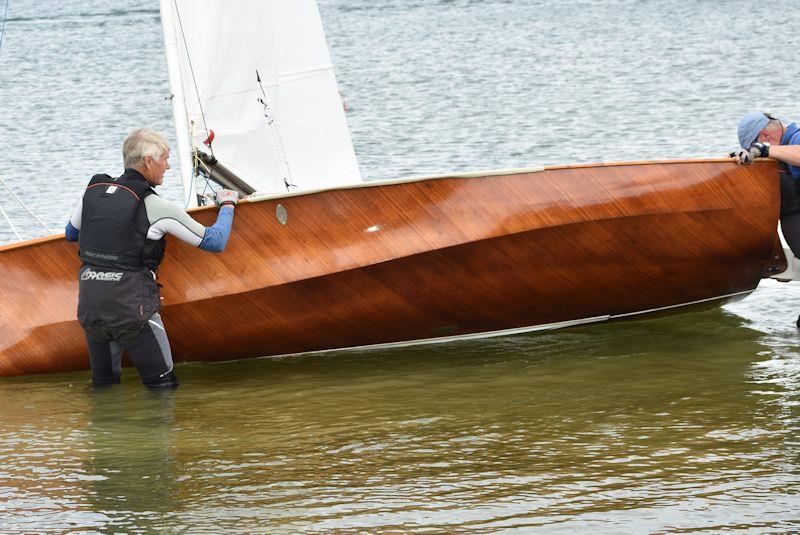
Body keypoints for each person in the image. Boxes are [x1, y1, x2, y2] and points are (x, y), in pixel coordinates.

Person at [65, 128, 239, 388]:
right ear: (148, 161)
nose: (168, 167)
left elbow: (71, 233)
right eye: (165, 159)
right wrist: (227, 205)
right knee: (163, 389)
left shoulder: (92, 193)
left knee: (103, 387)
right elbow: (214, 241)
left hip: (92, 308)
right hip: (133, 312)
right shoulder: (156, 206)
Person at [731, 112, 800, 258]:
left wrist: (765, 150)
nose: (756, 151)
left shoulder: (796, 137)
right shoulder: (778, 149)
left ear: (765, 136)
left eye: (754, 145)